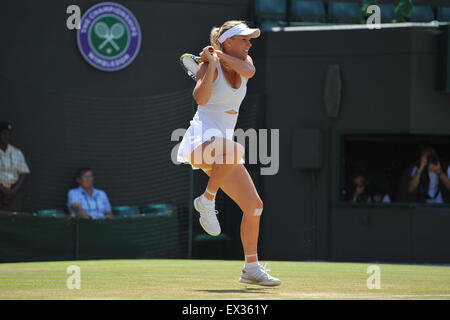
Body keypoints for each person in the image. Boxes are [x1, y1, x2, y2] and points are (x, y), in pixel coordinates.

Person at [176, 20, 280, 286]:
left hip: (224, 150)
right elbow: (200, 99)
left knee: (254, 207)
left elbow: (250, 71)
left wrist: (217, 54)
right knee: (237, 148)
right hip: (200, 143)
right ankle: (207, 200)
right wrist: (210, 66)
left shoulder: (243, 62)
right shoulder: (205, 65)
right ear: (229, 41)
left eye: (249, 39)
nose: (249, 43)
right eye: (244, 39)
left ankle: (251, 268)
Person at [0, 121, 30, 212]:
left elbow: (24, 173)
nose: (7, 137)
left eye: (9, 134)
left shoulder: (17, 152)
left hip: (13, 193)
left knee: (12, 221)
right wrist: (3, 189)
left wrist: (13, 191)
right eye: (4, 134)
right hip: (1, 190)